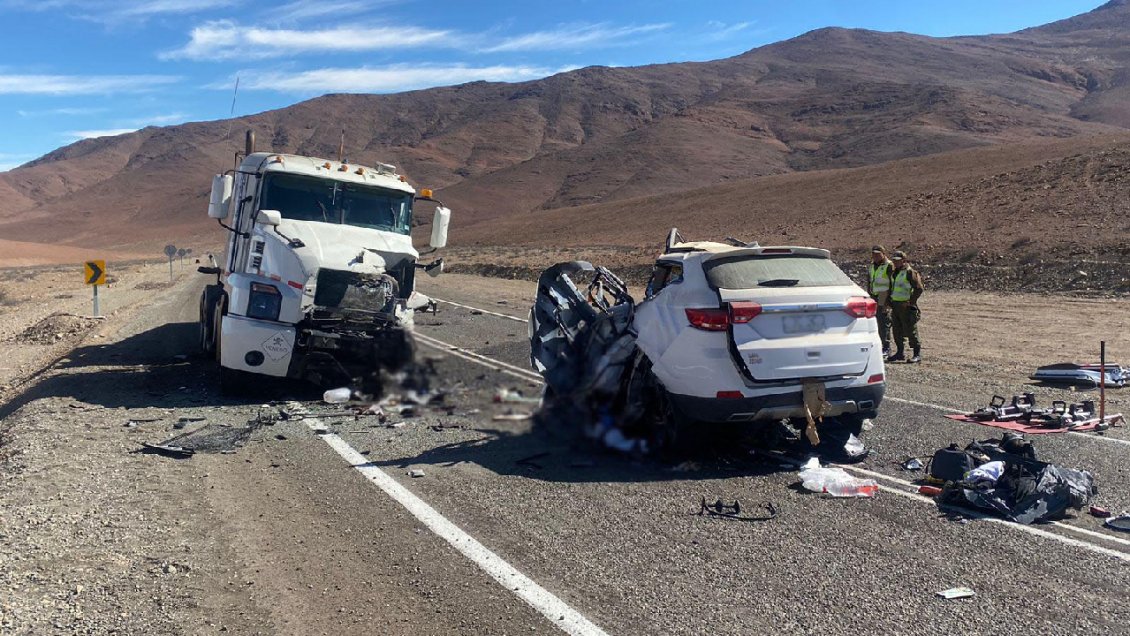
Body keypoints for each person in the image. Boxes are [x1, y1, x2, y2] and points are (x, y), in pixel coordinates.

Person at [887, 250, 924, 363]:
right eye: (894, 261)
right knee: (897, 330)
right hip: (895, 305)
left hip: (906, 306)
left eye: (898, 261)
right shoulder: (894, 273)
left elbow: (919, 288)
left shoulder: (910, 272)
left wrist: (911, 302)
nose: (895, 263)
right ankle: (900, 353)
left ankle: (917, 354)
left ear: (903, 260)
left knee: (911, 330)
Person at [867, 245, 893, 355]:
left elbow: (892, 283)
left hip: (883, 294)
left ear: (883, 253)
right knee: (875, 321)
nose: (875, 256)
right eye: (873, 254)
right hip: (874, 295)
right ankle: (879, 344)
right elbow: (870, 280)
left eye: (878, 254)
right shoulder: (872, 266)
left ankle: (886, 346)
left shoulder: (889, 265)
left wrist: (888, 301)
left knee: (884, 321)